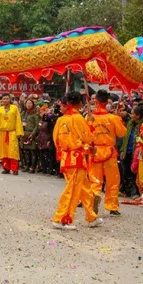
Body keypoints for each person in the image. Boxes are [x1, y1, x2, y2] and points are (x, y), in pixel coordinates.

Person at [52, 92, 102, 230]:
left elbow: (56, 140)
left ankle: (91, 217)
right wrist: (90, 124)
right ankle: (62, 218)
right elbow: (87, 138)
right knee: (73, 189)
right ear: (79, 103)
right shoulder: (78, 118)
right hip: (76, 158)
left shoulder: (60, 120)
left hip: (67, 157)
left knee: (84, 187)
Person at [87, 90, 127, 216]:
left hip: (95, 151)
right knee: (112, 180)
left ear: (96, 101)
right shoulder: (113, 118)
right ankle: (112, 206)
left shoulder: (89, 117)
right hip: (109, 151)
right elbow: (122, 133)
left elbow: (85, 135)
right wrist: (119, 120)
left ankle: (95, 196)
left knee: (95, 179)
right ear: (107, 102)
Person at [0, 93, 24, 175]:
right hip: (2, 133)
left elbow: (18, 121)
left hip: (12, 132)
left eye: (7, 98)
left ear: (10, 99)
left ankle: (14, 168)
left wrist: (19, 132)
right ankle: (6, 168)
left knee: (13, 151)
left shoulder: (15, 108)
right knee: (3, 151)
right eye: (4, 99)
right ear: (1, 100)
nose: (5, 100)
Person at [119, 105, 143, 197]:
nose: (131, 115)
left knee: (135, 172)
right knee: (125, 171)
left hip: (137, 152)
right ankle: (125, 191)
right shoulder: (130, 123)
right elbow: (125, 137)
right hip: (127, 150)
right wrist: (122, 150)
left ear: (138, 115)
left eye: (133, 113)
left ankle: (136, 192)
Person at [21, 99, 40, 173]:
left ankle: (32, 167)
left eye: (30, 103)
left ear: (33, 104)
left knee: (32, 151)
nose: (28, 105)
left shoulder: (35, 114)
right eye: (27, 103)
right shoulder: (23, 113)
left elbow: (37, 125)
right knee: (25, 151)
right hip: (24, 133)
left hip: (31, 134)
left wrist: (33, 134)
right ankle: (26, 166)